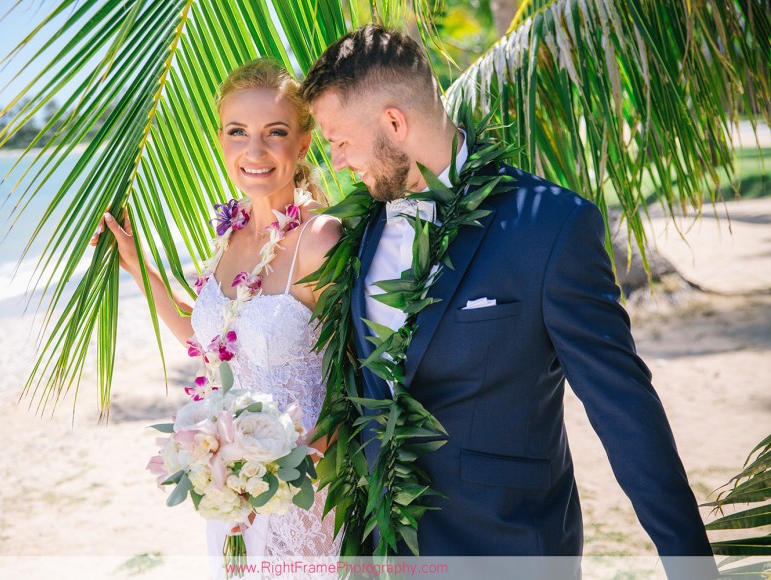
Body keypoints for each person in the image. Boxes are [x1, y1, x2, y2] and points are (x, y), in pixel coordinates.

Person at [299, 25, 718, 578]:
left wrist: (692, 567)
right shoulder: (364, 227)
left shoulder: (551, 227)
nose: (336, 160)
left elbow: (625, 411)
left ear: (394, 124)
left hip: (508, 548)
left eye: (340, 140)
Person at [90, 59, 343, 569]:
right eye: (237, 132)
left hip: (306, 489)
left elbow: (356, 379)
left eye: (275, 132)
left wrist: (287, 469)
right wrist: (143, 271)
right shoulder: (228, 232)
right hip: (234, 492)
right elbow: (209, 339)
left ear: (304, 141)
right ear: (221, 139)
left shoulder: (321, 240)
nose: (254, 151)